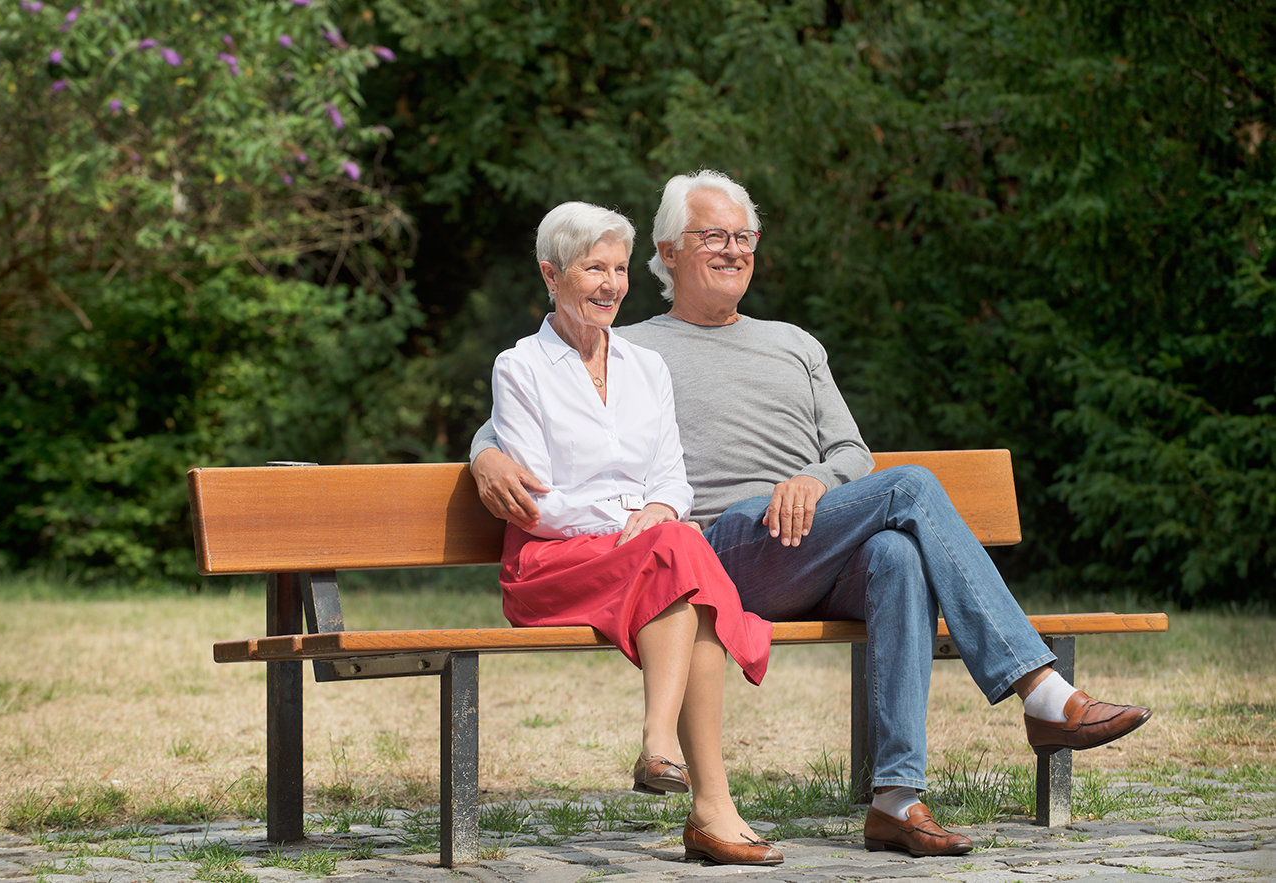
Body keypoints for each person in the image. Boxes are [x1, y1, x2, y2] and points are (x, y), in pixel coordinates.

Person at [472, 172, 1152, 859]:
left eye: (744, 237)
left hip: (815, 539)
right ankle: (1038, 689)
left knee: (896, 556)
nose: (733, 249)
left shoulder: (794, 343)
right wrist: (483, 455)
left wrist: (812, 480)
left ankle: (894, 800)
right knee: (911, 486)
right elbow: (536, 411)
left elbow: (852, 453)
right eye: (713, 236)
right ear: (667, 251)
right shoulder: (635, 343)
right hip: (719, 547)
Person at [489, 200, 783, 867]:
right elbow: (537, 504)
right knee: (683, 557)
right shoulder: (520, 368)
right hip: (551, 562)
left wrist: (653, 516)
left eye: (619, 269)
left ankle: (682, 770)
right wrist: (630, 521)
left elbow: (672, 481)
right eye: (593, 268)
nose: (610, 284)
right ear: (551, 274)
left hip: (643, 558)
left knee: (678, 552)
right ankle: (683, 771)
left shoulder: (646, 367)